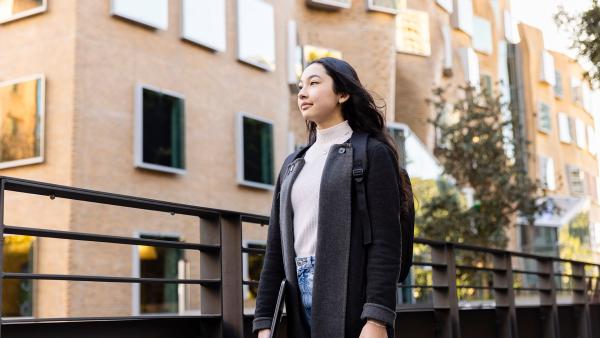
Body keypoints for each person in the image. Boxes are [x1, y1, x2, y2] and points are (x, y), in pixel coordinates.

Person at [252, 57, 414, 338]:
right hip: (297, 293)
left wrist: (376, 318)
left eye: (314, 83)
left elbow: (386, 243)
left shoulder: (372, 153)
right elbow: (276, 248)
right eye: (301, 86)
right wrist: (264, 321)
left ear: (343, 93)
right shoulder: (293, 163)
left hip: (350, 291)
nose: (302, 92)